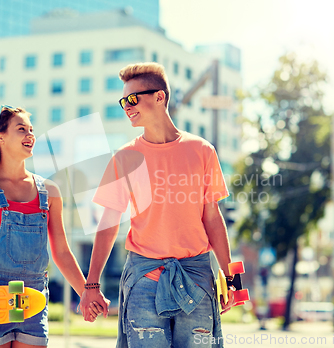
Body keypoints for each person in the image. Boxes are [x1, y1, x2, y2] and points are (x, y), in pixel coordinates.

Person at [79, 63, 240, 347]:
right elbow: (108, 223)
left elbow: (212, 218)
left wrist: (231, 278)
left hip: (197, 278)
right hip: (144, 280)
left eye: (133, 99)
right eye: (123, 101)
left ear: (159, 97)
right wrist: (91, 285)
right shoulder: (125, 157)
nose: (127, 107)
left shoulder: (202, 151)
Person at [0, 106, 105, 347]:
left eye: (31, 130)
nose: (30, 136)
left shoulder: (49, 191)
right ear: (0, 137)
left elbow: (61, 251)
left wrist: (87, 292)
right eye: (21, 130)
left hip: (34, 298)